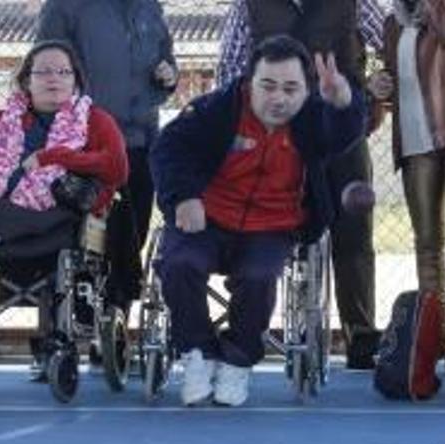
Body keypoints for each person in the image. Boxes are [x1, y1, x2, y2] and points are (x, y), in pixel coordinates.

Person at [151, 35, 366, 406]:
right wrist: (184, 197)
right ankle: (197, 355)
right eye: (267, 86)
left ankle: (237, 362)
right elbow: (168, 149)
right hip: (207, 219)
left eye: (290, 88)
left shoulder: (312, 118)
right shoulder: (217, 109)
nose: (278, 99)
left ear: (306, 90)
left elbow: (342, 135)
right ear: (249, 83)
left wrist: (343, 101)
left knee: (259, 277)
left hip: (272, 226)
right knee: (179, 264)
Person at [0, 40, 128, 364]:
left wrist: (54, 156)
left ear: (75, 80)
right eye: (43, 71)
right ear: (26, 81)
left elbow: (117, 167)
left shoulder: (95, 120)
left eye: (63, 71)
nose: (53, 79)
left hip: (59, 220)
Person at [217, 0, 386, 369]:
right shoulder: (248, 7)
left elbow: (390, 36)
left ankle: (361, 335)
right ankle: (293, 331)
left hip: (340, 127)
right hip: (279, 133)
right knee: (286, 226)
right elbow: (229, 71)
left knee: (354, 231)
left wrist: (375, 87)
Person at [367, 0, 445, 375]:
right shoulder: (392, 22)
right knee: (427, 242)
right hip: (416, 137)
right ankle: (435, 335)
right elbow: (396, 79)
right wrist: (378, 84)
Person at [37, 0, 178, 312]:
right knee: (91, 240)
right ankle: (73, 320)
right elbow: (45, 69)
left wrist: (169, 74)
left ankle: (115, 324)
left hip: (140, 142)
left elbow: (165, 57)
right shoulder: (65, 8)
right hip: (87, 143)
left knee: (133, 236)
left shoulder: (148, 7)